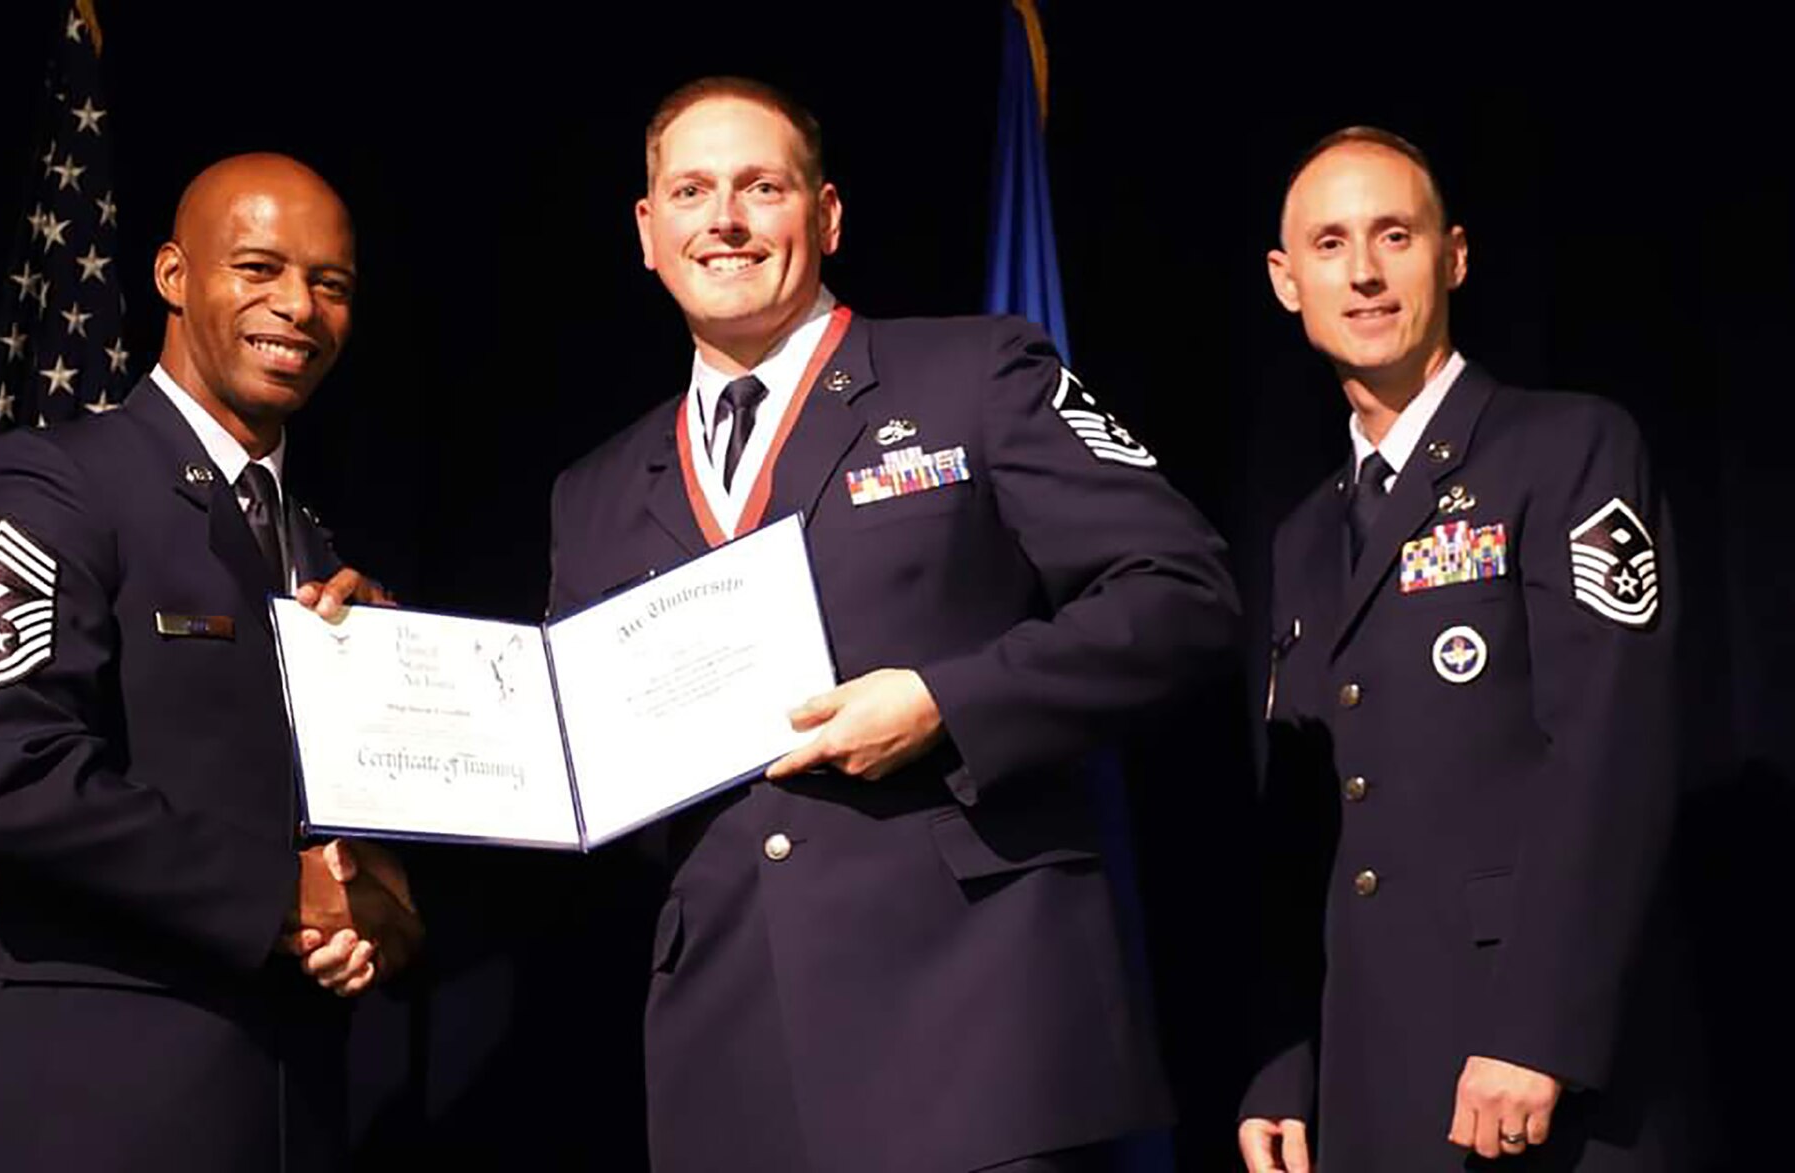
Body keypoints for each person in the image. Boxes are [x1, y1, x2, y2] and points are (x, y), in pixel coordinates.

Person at [546, 77, 1241, 1173]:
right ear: (647, 231)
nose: (722, 219)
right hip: (732, 1062)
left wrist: (945, 703)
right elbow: (570, 759)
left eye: (759, 186)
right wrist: (379, 649)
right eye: (690, 190)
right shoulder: (589, 490)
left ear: (823, 216)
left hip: (969, 1035)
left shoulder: (973, 374)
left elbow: (1180, 589)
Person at [0, 152, 421, 1173]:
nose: (298, 307)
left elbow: (324, 833)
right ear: (171, 275)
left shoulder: (319, 552)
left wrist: (378, 898)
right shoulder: (53, 483)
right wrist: (280, 896)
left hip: (287, 1112)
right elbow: (10, 778)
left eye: (330, 285)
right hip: (86, 1110)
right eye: (258, 268)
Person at [1237, 128, 1696, 1172]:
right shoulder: (1304, 532)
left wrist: (1538, 1031)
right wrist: (1279, 1064)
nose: (1360, 273)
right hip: (1363, 1071)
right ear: (1283, 280)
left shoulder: (1567, 449)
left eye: (1391, 235)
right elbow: (1299, 828)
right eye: (1327, 243)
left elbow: (1610, 752)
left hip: (1534, 1068)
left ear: (1451, 256)